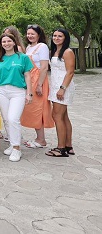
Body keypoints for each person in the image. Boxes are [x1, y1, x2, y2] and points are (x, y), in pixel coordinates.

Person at [0, 32, 33, 162]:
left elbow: (27, 75)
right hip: (2, 91)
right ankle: (12, 144)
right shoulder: (0, 59)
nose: (6, 43)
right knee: (6, 120)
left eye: (9, 41)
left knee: (13, 119)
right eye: (4, 42)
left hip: (18, 92)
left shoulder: (22, 57)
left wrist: (29, 93)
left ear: (14, 42)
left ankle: (16, 148)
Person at [20, 25, 54, 148]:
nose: (30, 36)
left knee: (38, 109)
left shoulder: (42, 47)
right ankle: (39, 137)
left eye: (32, 34)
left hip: (38, 80)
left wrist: (39, 85)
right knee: (31, 108)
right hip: (30, 80)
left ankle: (41, 140)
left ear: (39, 35)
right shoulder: (29, 47)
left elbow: (44, 67)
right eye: (28, 33)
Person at [45, 28, 76, 158]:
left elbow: (70, 72)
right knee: (63, 117)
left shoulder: (67, 52)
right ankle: (68, 146)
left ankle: (61, 148)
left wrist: (62, 88)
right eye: (55, 36)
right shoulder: (55, 51)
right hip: (55, 86)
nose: (56, 38)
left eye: (60, 36)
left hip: (63, 86)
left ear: (65, 38)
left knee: (57, 116)